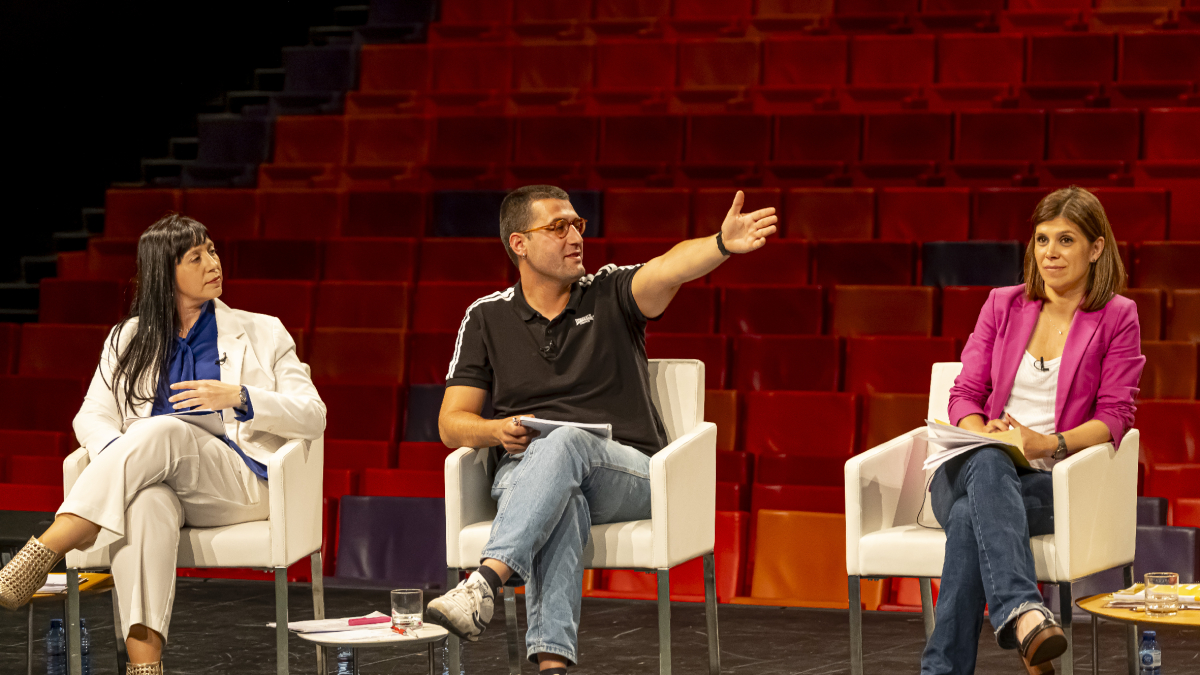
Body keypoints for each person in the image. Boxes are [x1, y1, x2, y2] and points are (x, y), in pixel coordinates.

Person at [426, 185, 778, 673]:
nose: (575, 236)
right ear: (519, 244)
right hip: (524, 471)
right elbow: (451, 422)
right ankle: (553, 668)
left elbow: (670, 266)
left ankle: (485, 581)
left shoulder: (611, 292)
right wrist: (496, 431)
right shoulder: (486, 317)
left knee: (568, 438)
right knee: (561, 499)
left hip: (626, 472)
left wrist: (719, 244)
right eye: (557, 227)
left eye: (577, 225)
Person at [0, 215, 325, 675]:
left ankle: (52, 543)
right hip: (161, 483)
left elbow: (314, 415)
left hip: (239, 485)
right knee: (146, 502)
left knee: (162, 431)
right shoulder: (128, 337)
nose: (213, 262)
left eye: (211, 250)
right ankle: (145, 668)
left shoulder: (262, 331)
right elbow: (91, 417)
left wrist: (241, 397)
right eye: (197, 257)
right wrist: (126, 462)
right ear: (164, 273)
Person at [922, 186, 1145, 675]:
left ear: (1096, 248)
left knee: (966, 520)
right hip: (967, 468)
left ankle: (943, 669)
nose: (1050, 252)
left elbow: (1115, 417)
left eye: (1066, 240)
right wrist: (985, 430)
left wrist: (1050, 443)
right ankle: (1024, 613)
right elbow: (963, 395)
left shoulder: (1116, 317)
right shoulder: (1003, 304)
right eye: (1042, 240)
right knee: (987, 459)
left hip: (1051, 484)